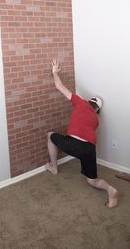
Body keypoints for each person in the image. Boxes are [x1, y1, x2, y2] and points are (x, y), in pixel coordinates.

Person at [46, 59, 118, 208]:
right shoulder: (96, 119)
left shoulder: (80, 102)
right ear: (97, 109)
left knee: (50, 135)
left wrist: (54, 72)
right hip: (90, 149)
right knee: (92, 180)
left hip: (74, 144)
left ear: (88, 101)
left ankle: (53, 167)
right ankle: (111, 189)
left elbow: (59, 86)